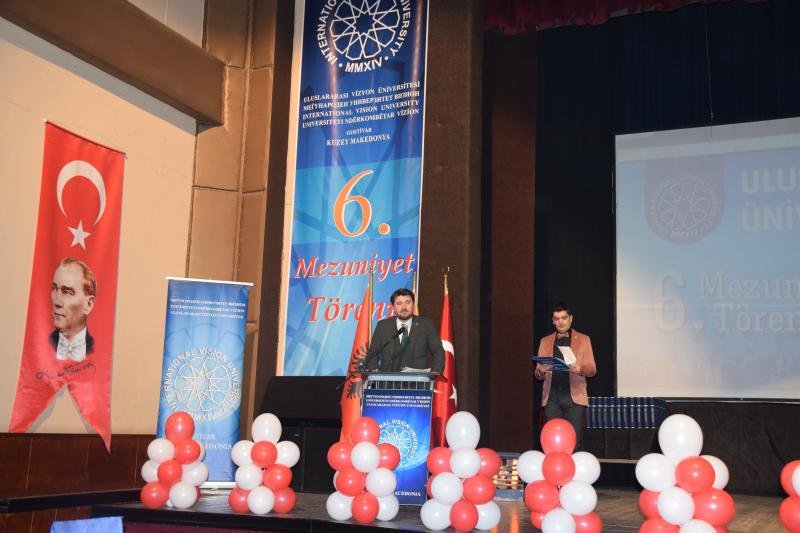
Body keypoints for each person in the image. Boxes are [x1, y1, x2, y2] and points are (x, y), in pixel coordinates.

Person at [534, 302, 596, 449]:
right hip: (552, 398)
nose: (560, 322)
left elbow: (592, 369)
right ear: (553, 321)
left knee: (573, 442)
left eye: (564, 318)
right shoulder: (545, 341)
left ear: (571, 318)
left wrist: (580, 369)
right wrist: (541, 370)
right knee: (552, 441)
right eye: (557, 319)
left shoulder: (584, 339)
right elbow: (538, 375)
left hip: (574, 398)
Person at [364, 288, 445, 374]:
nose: (404, 307)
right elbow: (373, 353)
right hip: (387, 379)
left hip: (418, 379)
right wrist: (374, 370)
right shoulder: (383, 326)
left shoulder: (425, 325)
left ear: (413, 304)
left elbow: (438, 351)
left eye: (407, 302)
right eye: (399, 303)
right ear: (393, 307)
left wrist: (435, 372)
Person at [49, 257, 96, 362]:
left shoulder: (97, 348)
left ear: (88, 304)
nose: (57, 302)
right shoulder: (41, 346)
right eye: (54, 289)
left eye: (67, 292)